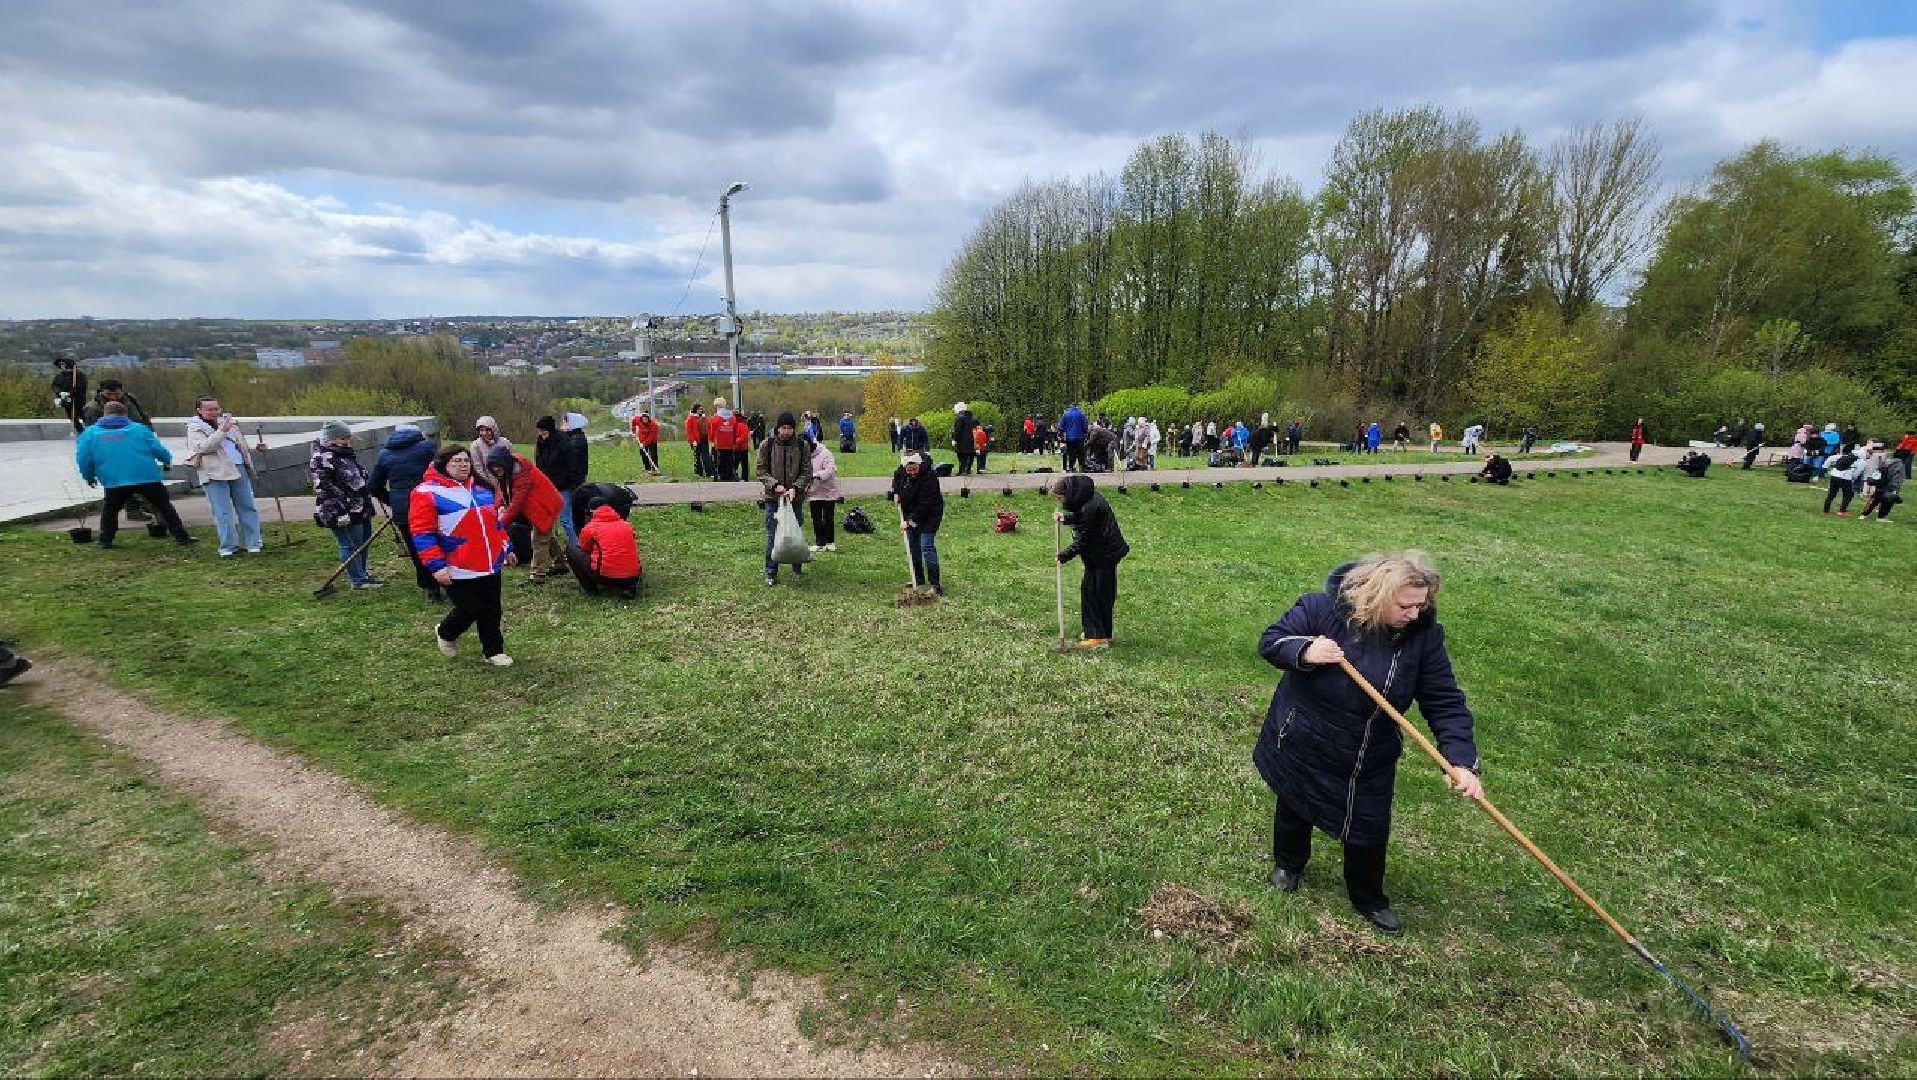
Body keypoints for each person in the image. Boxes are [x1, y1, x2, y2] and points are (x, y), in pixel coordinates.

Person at [1253, 552, 1483, 935]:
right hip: (1306, 732)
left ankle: (1368, 897)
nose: (1415, 613)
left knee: (1368, 825)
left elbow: (1443, 699)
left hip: (1366, 750)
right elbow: (1272, 641)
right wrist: (1306, 651)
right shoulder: (1321, 608)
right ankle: (1288, 865)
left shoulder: (1422, 638)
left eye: (1421, 604)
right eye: (1405, 605)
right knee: (1294, 802)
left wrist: (1459, 759)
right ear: (1377, 596)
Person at [411, 446, 516, 666]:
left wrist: (506, 547)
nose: (463, 465)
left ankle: (493, 650)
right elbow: (422, 533)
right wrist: (436, 566)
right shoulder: (426, 492)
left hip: (489, 561)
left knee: (492, 609)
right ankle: (446, 632)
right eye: (456, 461)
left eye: (466, 460)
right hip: (458, 564)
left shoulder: (482, 489)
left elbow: (495, 525)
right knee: (471, 607)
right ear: (443, 464)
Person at [74, 400, 195, 548]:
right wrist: (166, 460)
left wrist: (89, 476)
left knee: (110, 509)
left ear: (104, 414)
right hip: (146, 476)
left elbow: (83, 458)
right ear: (125, 414)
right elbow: (158, 449)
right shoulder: (139, 429)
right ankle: (181, 537)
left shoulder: (90, 433)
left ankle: (106, 540)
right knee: (164, 506)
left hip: (114, 479)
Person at [1050, 475, 1129, 648]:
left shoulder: (1090, 506)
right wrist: (1067, 519)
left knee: (1096, 593)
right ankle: (1099, 631)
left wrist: (1063, 556)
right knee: (1093, 591)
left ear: (1068, 493)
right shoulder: (1086, 498)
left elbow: (1082, 541)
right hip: (1099, 555)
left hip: (1104, 555)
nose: (1061, 501)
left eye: (1060, 498)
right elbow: (1082, 518)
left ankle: (1098, 636)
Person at [368, 423, 442, 601]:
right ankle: (451, 580)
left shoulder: (385, 454)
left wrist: (393, 501)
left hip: (404, 510)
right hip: (433, 504)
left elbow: (374, 486)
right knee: (442, 542)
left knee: (418, 549)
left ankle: (430, 589)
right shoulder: (428, 448)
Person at [183, 396, 263, 556]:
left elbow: (238, 444)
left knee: (247, 506)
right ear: (199, 410)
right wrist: (221, 431)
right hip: (214, 471)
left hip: (238, 466)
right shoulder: (194, 428)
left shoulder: (229, 422)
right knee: (222, 511)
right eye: (210, 409)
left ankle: (253, 542)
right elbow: (204, 448)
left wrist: (255, 448)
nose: (215, 412)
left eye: (216, 408)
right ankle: (228, 546)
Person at [309, 420, 381, 589]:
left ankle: (363, 574)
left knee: (363, 542)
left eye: (348, 437)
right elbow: (323, 488)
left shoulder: (345, 453)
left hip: (359, 506)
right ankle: (357, 580)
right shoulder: (322, 458)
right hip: (340, 510)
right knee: (350, 544)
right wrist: (340, 511)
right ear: (331, 438)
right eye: (343, 438)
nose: (347, 441)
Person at [485, 445, 565, 585]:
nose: (497, 471)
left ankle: (537, 576)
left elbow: (516, 504)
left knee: (539, 540)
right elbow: (500, 490)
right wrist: (497, 507)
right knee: (547, 536)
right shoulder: (508, 470)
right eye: (494, 469)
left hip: (545, 506)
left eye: (498, 467)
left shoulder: (521, 474)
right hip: (537, 507)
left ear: (505, 463)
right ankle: (561, 564)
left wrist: (499, 526)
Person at [757, 412, 813, 586]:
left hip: (794, 497)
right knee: (772, 534)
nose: (786, 431)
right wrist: (775, 485)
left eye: (789, 428)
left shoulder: (802, 445)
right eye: (783, 428)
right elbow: (760, 470)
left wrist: (796, 487)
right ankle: (771, 572)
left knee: (794, 532)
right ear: (778, 427)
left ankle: (797, 568)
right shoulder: (768, 444)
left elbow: (807, 471)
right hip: (773, 497)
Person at [890, 450, 945, 595]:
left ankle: (935, 585)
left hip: (929, 514)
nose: (912, 472)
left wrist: (909, 522)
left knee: (926, 546)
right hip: (910, 511)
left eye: (914, 469)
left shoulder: (930, 477)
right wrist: (896, 492)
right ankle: (918, 578)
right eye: (909, 470)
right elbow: (897, 477)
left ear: (919, 464)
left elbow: (925, 504)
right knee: (913, 546)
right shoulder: (902, 470)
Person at [567, 497, 641, 599]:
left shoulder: (589, 528)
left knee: (571, 550)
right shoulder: (626, 525)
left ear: (591, 512)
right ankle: (628, 587)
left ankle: (590, 590)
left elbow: (585, 549)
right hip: (633, 576)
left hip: (605, 576)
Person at [807, 428, 842, 553]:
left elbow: (831, 470)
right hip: (813, 492)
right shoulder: (804, 456)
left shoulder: (826, 453)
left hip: (828, 491)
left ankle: (830, 542)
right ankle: (820, 542)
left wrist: (816, 475)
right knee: (816, 517)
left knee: (828, 517)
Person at [82, 378, 152, 428]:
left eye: (117, 394)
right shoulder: (92, 408)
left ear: (122, 392)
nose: (113, 397)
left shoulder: (131, 400)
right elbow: (90, 430)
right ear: (101, 392)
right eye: (108, 394)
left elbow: (143, 417)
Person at [469, 416, 511, 493]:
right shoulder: (475, 446)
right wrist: (490, 486)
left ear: (493, 430)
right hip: (488, 486)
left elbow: (513, 461)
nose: (484, 433)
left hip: (508, 482)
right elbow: (478, 469)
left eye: (488, 430)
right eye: (481, 430)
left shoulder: (505, 443)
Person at [51, 356, 88, 433]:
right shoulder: (60, 376)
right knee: (72, 417)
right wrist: (59, 392)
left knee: (83, 416)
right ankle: (80, 431)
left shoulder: (79, 375)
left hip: (78, 400)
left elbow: (80, 388)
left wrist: (70, 393)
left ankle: (90, 430)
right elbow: (54, 385)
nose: (62, 366)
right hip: (66, 401)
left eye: (63, 364)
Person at [1058, 402, 1089, 473]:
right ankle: (1082, 467)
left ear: (1070, 407)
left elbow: (1061, 427)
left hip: (1070, 438)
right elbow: (1085, 426)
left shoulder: (1066, 415)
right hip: (1080, 437)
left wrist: (1061, 437)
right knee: (1081, 453)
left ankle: (1071, 467)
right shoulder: (1081, 414)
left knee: (1071, 452)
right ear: (1076, 407)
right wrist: (1085, 433)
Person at [953, 402, 979, 476]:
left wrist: (954, 439)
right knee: (969, 455)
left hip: (961, 441)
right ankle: (967, 470)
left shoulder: (959, 418)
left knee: (961, 456)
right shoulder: (971, 418)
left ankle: (962, 470)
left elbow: (958, 430)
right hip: (971, 441)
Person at [685, 404, 709, 477]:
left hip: (704, 439)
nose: (701, 410)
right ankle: (698, 473)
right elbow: (689, 431)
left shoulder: (705, 418)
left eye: (702, 409)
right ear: (695, 410)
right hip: (695, 441)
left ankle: (709, 473)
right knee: (697, 457)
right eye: (699, 409)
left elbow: (708, 427)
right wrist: (693, 441)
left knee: (706, 456)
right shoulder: (690, 419)